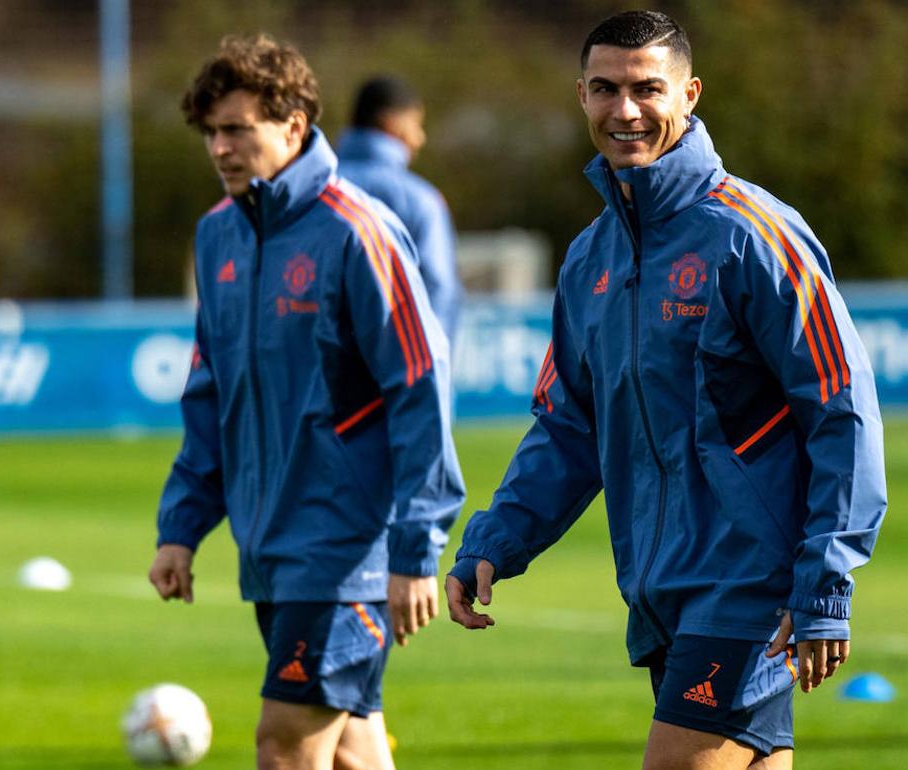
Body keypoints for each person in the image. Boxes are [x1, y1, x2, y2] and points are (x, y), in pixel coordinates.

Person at [446, 11, 885, 770]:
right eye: (606, 89)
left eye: (648, 88)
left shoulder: (753, 235)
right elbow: (567, 428)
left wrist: (826, 579)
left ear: (689, 94)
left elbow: (840, 411)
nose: (626, 110)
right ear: (581, 95)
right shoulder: (589, 260)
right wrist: (497, 539)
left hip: (750, 582)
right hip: (658, 588)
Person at [150, 34, 464, 770]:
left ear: (293, 126)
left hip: (346, 548)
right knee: (354, 753)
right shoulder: (217, 235)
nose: (221, 149)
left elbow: (419, 386)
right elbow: (211, 393)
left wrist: (416, 548)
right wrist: (183, 524)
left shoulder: (357, 229)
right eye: (212, 133)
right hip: (271, 544)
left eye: (238, 130)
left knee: (285, 746)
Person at [337, 76, 464, 346]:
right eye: (416, 124)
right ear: (391, 123)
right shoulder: (419, 200)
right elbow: (438, 291)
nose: (420, 138)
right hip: (395, 374)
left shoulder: (313, 189)